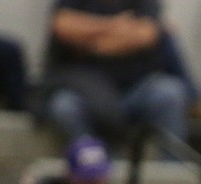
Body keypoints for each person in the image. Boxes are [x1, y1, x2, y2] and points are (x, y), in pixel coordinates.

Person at [39, 0, 192, 144]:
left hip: (136, 88)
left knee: (170, 92)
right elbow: (63, 26)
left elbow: (146, 34)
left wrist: (88, 42)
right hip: (84, 91)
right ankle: (92, 166)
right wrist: (115, 25)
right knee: (64, 106)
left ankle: (171, 170)